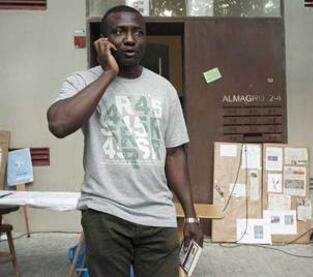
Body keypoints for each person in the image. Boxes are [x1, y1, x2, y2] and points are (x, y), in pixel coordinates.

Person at [47, 5, 203, 277]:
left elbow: (175, 154)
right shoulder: (83, 82)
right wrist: (108, 73)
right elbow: (59, 124)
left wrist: (190, 214)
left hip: (158, 215)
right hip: (105, 213)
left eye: (137, 33)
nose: (130, 39)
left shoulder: (163, 89)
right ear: (103, 40)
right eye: (119, 32)